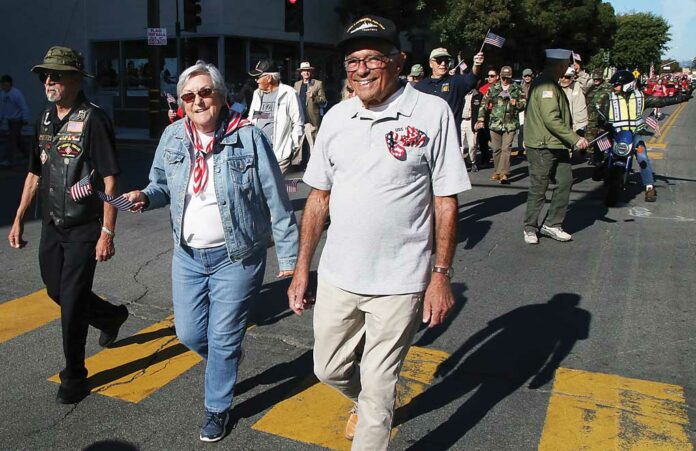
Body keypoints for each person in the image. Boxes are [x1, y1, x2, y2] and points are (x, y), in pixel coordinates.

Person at [287, 14, 471, 451]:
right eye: (353, 62)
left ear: (398, 61)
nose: (361, 70)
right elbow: (318, 199)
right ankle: (369, 405)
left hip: (400, 281)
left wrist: (440, 276)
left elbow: (445, 200)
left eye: (372, 59)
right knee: (327, 369)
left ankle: (375, 412)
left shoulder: (431, 112)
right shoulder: (336, 116)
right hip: (338, 276)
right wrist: (301, 269)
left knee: (380, 385)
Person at [122, 60, 298, 442]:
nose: (197, 101)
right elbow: (160, 187)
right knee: (188, 333)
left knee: (222, 336)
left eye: (205, 93)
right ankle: (226, 360)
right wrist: (143, 197)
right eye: (189, 96)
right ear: (182, 102)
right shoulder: (172, 137)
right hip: (187, 255)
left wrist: (289, 260)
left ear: (220, 96)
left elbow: (277, 199)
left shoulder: (248, 137)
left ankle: (217, 407)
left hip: (237, 256)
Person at [7, 46, 129, 403]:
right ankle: (110, 317)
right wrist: (17, 219)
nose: (49, 80)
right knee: (56, 290)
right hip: (52, 225)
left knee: (72, 302)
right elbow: (34, 171)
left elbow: (109, 180)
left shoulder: (94, 119)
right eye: (45, 75)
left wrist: (107, 232)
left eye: (57, 75)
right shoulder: (44, 119)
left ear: (76, 79)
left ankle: (74, 376)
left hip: (83, 227)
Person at [523, 49, 589, 245]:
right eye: (566, 65)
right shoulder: (546, 86)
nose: (568, 68)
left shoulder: (551, 84)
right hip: (543, 145)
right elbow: (551, 118)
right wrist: (574, 139)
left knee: (565, 181)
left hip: (556, 144)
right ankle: (530, 227)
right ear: (558, 65)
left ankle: (552, 224)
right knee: (539, 187)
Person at [593, 70, 691, 202]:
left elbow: (660, 101)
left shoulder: (640, 97)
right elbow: (602, 115)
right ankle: (602, 167)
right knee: (603, 149)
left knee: (642, 157)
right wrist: (603, 123)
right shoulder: (609, 98)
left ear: (627, 85)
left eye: (617, 84)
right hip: (615, 134)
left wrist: (682, 98)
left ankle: (650, 187)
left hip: (634, 135)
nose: (614, 87)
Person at [414, 47, 484, 141]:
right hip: (426, 138)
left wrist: (476, 65)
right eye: (439, 61)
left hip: (450, 139)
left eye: (446, 61)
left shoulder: (456, 82)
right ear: (431, 63)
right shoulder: (420, 86)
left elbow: (472, 79)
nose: (443, 64)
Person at [247, 59, 304, 173]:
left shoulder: (289, 93)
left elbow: (298, 122)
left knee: (276, 189)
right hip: (258, 152)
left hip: (280, 154)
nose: (256, 80)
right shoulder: (257, 94)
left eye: (258, 77)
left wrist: (292, 146)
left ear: (269, 78)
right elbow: (253, 117)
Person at [475, 65, 524, 183]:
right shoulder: (493, 88)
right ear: (500, 77)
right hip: (495, 123)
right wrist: (481, 120)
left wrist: (516, 103)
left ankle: (504, 173)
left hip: (510, 123)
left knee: (506, 148)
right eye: (503, 78)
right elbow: (483, 105)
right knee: (496, 149)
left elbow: (524, 103)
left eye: (508, 78)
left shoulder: (516, 88)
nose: (505, 80)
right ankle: (497, 171)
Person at [294, 61, 327, 166]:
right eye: (304, 71)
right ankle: (297, 164)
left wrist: (314, 97)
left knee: (313, 143)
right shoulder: (297, 84)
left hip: (311, 118)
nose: (306, 73)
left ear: (311, 72)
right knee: (297, 143)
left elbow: (323, 101)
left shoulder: (317, 83)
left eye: (308, 71)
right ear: (301, 73)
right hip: (299, 119)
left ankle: (314, 165)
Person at [0, 74, 31, 167]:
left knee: (12, 139)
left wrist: (25, 118)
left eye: (6, 85)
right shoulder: (2, 94)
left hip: (18, 120)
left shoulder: (16, 94)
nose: (4, 87)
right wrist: (1, 118)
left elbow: (23, 106)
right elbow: (3, 108)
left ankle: (8, 159)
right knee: (18, 139)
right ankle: (28, 156)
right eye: (2, 85)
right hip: (10, 119)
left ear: (10, 85)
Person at [559, 67, 588, 136]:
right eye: (561, 77)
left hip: (579, 125)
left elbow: (587, 81)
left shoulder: (578, 85)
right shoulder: (556, 88)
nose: (563, 79)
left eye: (567, 77)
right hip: (563, 125)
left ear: (572, 78)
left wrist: (579, 71)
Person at [461, 86, 482, 170]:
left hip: (472, 121)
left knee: (472, 144)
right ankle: (460, 162)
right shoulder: (460, 93)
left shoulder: (478, 95)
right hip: (461, 121)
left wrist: (479, 121)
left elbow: (481, 109)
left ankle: (472, 161)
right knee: (460, 144)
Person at [517, 68, 534, 151]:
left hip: (533, 111)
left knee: (533, 130)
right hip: (522, 111)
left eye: (529, 76)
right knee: (521, 129)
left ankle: (531, 148)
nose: (527, 77)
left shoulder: (536, 85)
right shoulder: (519, 87)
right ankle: (520, 149)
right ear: (523, 77)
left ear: (532, 76)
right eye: (525, 76)